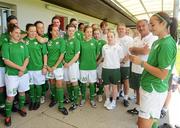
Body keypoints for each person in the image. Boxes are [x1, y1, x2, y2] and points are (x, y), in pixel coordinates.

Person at [129, 12, 177, 128]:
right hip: (149, 88)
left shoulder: (166, 44)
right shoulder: (158, 41)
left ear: (163, 24)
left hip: (154, 90)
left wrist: (141, 62)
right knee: (151, 121)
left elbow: (163, 74)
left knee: (143, 124)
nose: (150, 27)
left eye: (152, 24)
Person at [127, 19, 157, 114]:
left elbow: (146, 51)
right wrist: (139, 49)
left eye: (143, 25)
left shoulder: (153, 38)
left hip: (145, 69)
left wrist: (136, 50)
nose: (141, 28)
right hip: (135, 68)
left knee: (145, 92)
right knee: (136, 88)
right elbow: (130, 51)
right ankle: (138, 106)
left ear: (148, 25)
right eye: (138, 26)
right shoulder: (136, 38)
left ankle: (144, 112)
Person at [2, 24, 30, 126]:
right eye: (16, 33)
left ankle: (21, 107)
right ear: (11, 33)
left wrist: (23, 69)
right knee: (10, 97)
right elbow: (6, 61)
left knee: (22, 92)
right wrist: (20, 68)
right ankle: (8, 115)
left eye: (19, 33)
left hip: (23, 74)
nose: (19, 35)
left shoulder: (23, 44)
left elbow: (27, 57)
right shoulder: (6, 45)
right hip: (12, 75)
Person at [24, 24, 47, 110]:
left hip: (38, 68)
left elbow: (45, 55)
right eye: (31, 31)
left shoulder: (40, 41)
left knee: (38, 85)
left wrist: (44, 66)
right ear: (27, 31)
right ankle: (32, 101)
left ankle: (37, 100)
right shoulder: (24, 41)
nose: (33, 33)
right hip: (28, 68)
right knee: (31, 86)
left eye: (34, 31)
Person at [46, 24, 68, 115]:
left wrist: (55, 66)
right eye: (54, 30)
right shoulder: (48, 42)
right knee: (52, 83)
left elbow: (62, 54)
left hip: (57, 67)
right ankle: (54, 98)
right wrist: (47, 66)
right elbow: (45, 55)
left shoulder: (61, 41)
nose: (56, 32)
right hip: (49, 67)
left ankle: (61, 105)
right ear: (50, 31)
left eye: (57, 30)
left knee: (59, 84)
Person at [100, 31, 124, 110]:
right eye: (108, 37)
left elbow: (121, 59)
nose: (109, 38)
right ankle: (107, 100)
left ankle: (113, 102)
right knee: (106, 86)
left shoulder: (119, 47)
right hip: (105, 69)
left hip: (115, 70)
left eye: (111, 36)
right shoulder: (104, 47)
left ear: (115, 37)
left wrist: (114, 64)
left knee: (114, 87)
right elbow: (103, 57)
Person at [79, 25, 98, 108]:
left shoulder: (95, 42)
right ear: (84, 32)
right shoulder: (81, 42)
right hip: (83, 67)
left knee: (92, 83)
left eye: (91, 32)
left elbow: (97, 53)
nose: (89, 33)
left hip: (92, 67)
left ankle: (92, 99)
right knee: (83, 83)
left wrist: (93, 60)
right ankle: (83, 98)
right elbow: (79, 54)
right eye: (88, 32)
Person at [116, 23, 133, 107]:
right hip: (116, 64)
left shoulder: (129, 39)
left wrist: (123, 61)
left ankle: (126, 98)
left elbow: (130, 52)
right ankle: (118, 94)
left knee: (126, 81)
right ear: (117, 29)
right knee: (118, 81)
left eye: (122, 28)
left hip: (125, 64)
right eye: (119, 28)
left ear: (125, 29)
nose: (121, 30)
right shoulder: (115, 39)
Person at [63, 24, 80, 111]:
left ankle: (75, 102)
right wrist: (63, 62)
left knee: (74, 82)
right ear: (66, 31)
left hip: (72, 65)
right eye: (69, 30)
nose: (71, 32)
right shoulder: (64, 40)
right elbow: (61, 52)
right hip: (65, 64)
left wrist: (69, 64)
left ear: (75, 31)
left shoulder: (76, 41)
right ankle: (70, 98)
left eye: (73, 31)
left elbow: (77, 55)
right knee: (68, 82)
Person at [34, 21, 49, 104]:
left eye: (42, 27)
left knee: (44, 82)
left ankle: (42, 95)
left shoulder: (46, 36)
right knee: (37, 82)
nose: (41, 29)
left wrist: (34, 34)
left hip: (47, 62)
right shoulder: (32, 38)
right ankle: (37, 95)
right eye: (39, 27)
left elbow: (42, 41)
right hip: (37, 63)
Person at [94, 28, 106, 102]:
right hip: (92, 63)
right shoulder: (91, 41)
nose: (96, 35)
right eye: (95, 33)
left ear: (100, 34)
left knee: (100, 79)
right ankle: (94, 92)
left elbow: (103, 55)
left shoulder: (103, 42)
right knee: (93, 79)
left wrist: (97, 62)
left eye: (97, 33)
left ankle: (100, 93)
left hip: (100, 63)